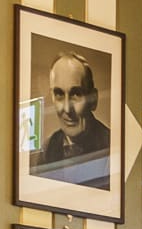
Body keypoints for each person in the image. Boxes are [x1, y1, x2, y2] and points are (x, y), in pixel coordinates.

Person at [32, 50, 110, 190]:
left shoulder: (112, 148)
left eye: (76, 94)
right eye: (59, 94)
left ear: (93, 99)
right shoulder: (47, 149)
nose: (67, 109)